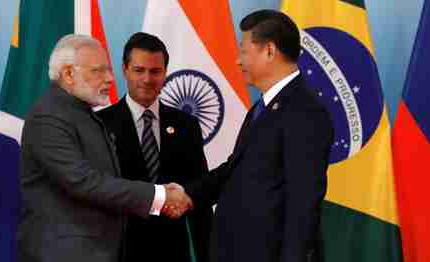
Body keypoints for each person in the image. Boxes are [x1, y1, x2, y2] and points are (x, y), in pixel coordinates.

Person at [17, 34, 192, 262]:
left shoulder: (80, 113)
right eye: (98, 71)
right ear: (69, 74)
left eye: (108, 70)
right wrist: (159, 195)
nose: (110, 78)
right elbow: (82, 181)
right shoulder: (49, 116)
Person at [182, 10, 334, 262]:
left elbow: (303, 202)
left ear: (269, 51)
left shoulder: (305, 111)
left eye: (243, 51)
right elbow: (236, 168)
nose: (238, 61)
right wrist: (187, 194)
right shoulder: (263, 107)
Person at [97, 32, 213, 262]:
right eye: (139, 70)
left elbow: (199, 193)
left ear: (165, 73)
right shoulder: (100, 124)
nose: (147, 79)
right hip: (117, 251)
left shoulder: (186, 125)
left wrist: (206, 253)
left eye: (155, 71)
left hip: (172, 251)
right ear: (125, 69)